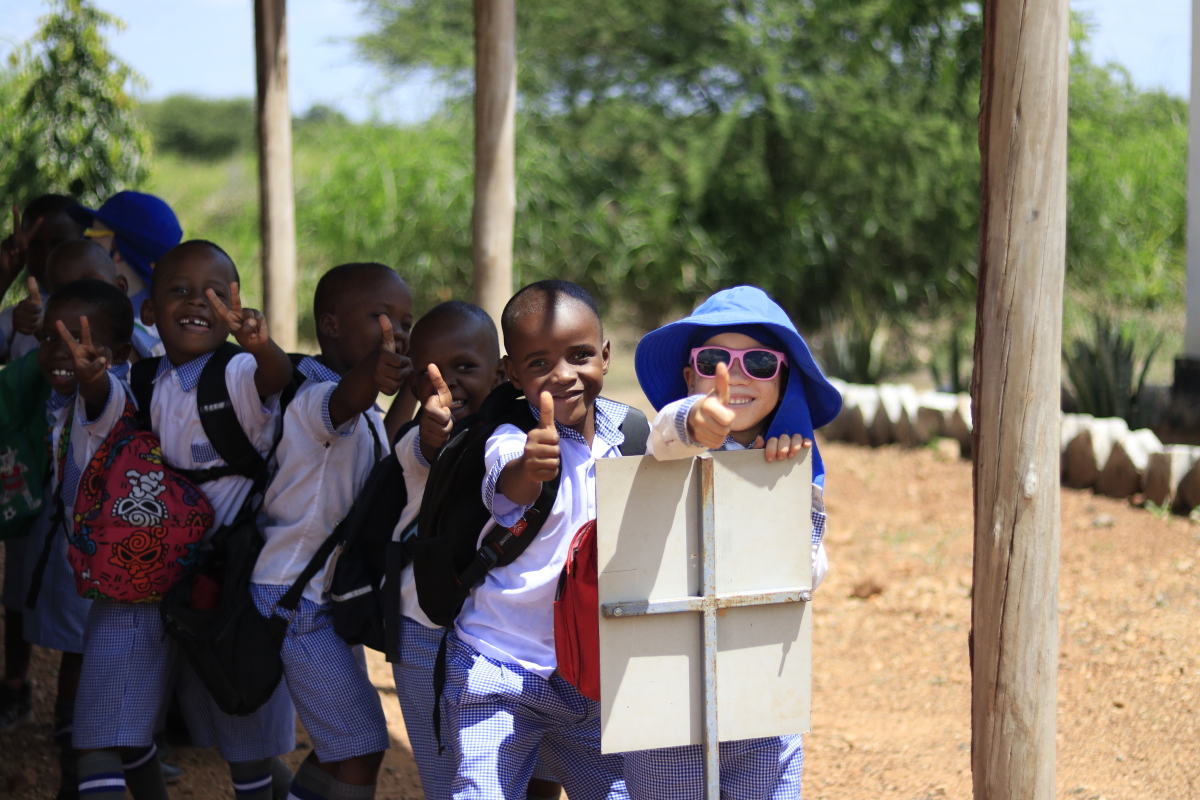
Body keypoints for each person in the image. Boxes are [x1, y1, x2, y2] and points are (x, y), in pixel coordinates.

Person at [71, 240, 296, 800]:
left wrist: (262, 347)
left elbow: (276, 381)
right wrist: (94, 381)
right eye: (180, 291)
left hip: (225, 582)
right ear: (149, 311)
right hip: (142, 572)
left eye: (216, 294)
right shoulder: (143, 383)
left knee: (242, 722)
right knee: (110, 712)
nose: (199, 302)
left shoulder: (240, 373)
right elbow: (106, 423)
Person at [625, 284, 843, 800]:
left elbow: (808, 575)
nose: (737, 375)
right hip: (666, 703)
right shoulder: (668, 445)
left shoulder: (794, 468)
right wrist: (694, 423)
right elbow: (663, 437)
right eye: (716, 359)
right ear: (688, 376)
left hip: (763, 700)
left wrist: (786, 493)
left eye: (761, 362)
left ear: (783, 376)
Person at [441, 280, 629, 800]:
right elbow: (510, 481)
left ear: (606, 355)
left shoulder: (629, 438)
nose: (564, 375)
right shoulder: (507, 439)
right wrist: (532, 466)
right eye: (540, 363)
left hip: (585, 675)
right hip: (498, 664)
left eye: (580, 355)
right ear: (511, 372)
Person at [250, 262, 413, 800]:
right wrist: (377, 371)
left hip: (323, 595)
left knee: (343, 740)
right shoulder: (315, 397)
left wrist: (409, 387)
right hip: (297, 596)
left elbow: (380, 443)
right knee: (361, 744)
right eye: (381, 317)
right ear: (332, 326)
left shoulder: (361, 410)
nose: (398, 331)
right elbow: (348, 403)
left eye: (406, 322)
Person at [389, 301, 559, 800]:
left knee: (541, 770)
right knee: (456, 775)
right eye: (430, 375)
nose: (449, 384)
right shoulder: (418, 440)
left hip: (520, 637)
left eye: (465, 367)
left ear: (502, 370)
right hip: (429, 632)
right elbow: (426, 446)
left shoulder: (526, 428)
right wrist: (431, 430)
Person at [18, 253, 131, 798]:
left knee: (103, 664)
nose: (61, 355)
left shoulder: (109, 391)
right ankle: (79, 761)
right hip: (78, 552)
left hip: (118, 559)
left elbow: (101, 397)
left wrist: (91, 380)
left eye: (80, 342)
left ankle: (102, 759)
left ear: (117, 355)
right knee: (77, 653)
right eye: (49, 341)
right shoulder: (60, 396)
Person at [0, 194, 85, 738]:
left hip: (90, 495)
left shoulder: (107, 321)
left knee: (86, 609)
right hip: (31, 481)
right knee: (17, 589)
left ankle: (74, 730)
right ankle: (14, 686)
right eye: (42, 246)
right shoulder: (22, 320)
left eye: (64, 244)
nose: (51, 257)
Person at [69, 191, 183, 359]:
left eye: (92, 234)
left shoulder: (119, 336)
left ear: (116, 249)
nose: (86, 243)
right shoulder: (174, 324)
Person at [0, 196, 85, 363]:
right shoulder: (22, 315)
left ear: (84, 243)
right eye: (35, 247)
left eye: (59, 244)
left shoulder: (101, 307)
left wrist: (42, 332)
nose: (47, 257)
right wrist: (4, 276)